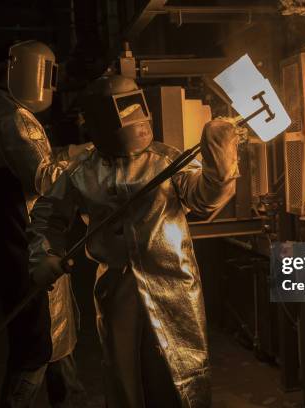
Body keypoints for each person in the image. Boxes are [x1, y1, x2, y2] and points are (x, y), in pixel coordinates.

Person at [28, 74, 239, 408]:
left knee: (180, 371)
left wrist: (221, 164)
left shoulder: (167, 160)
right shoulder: (82, 171)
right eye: (124, 109)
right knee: (123, 375)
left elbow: (203, 198)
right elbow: (48, 216)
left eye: (135, 105)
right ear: (101, 118)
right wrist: (44, 255)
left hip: (174, 283)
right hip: (117, 286)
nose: (136, 117)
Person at [0, 40, 90, 407]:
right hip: (29, 254)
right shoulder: (14, 120)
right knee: (35, 350)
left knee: (57, 347)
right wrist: (91, 153)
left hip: (17, 251)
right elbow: (48, 178)